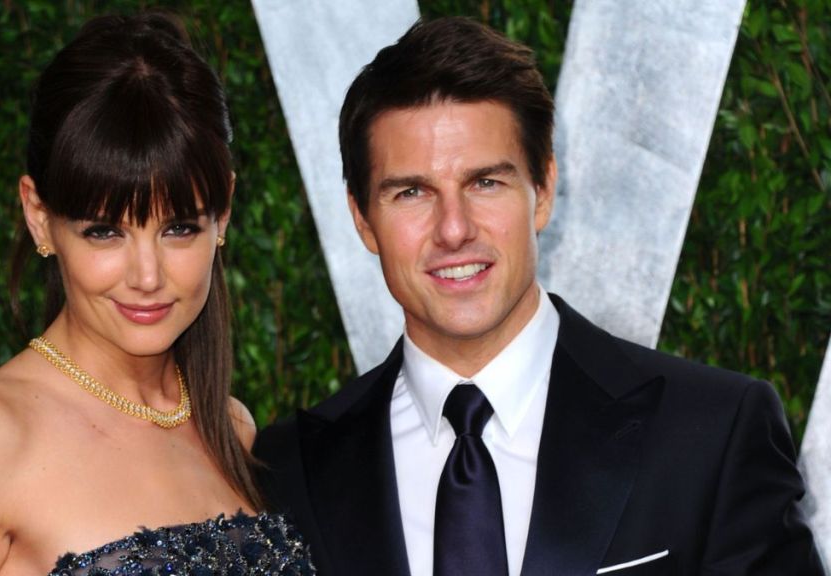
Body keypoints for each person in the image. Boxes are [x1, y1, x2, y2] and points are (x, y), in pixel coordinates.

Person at [253, 16, 824, 576]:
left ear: (543, 189)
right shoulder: (286, 472)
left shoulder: (712, 435)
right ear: (362, 220)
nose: (454, 229)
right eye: (411, 192)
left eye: (485, 182)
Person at [0, 12, 313, 575]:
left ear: (222, 212)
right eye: (104, 232)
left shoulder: (231, 429)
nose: (147, 275)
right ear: (39, 217)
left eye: (179, 227)